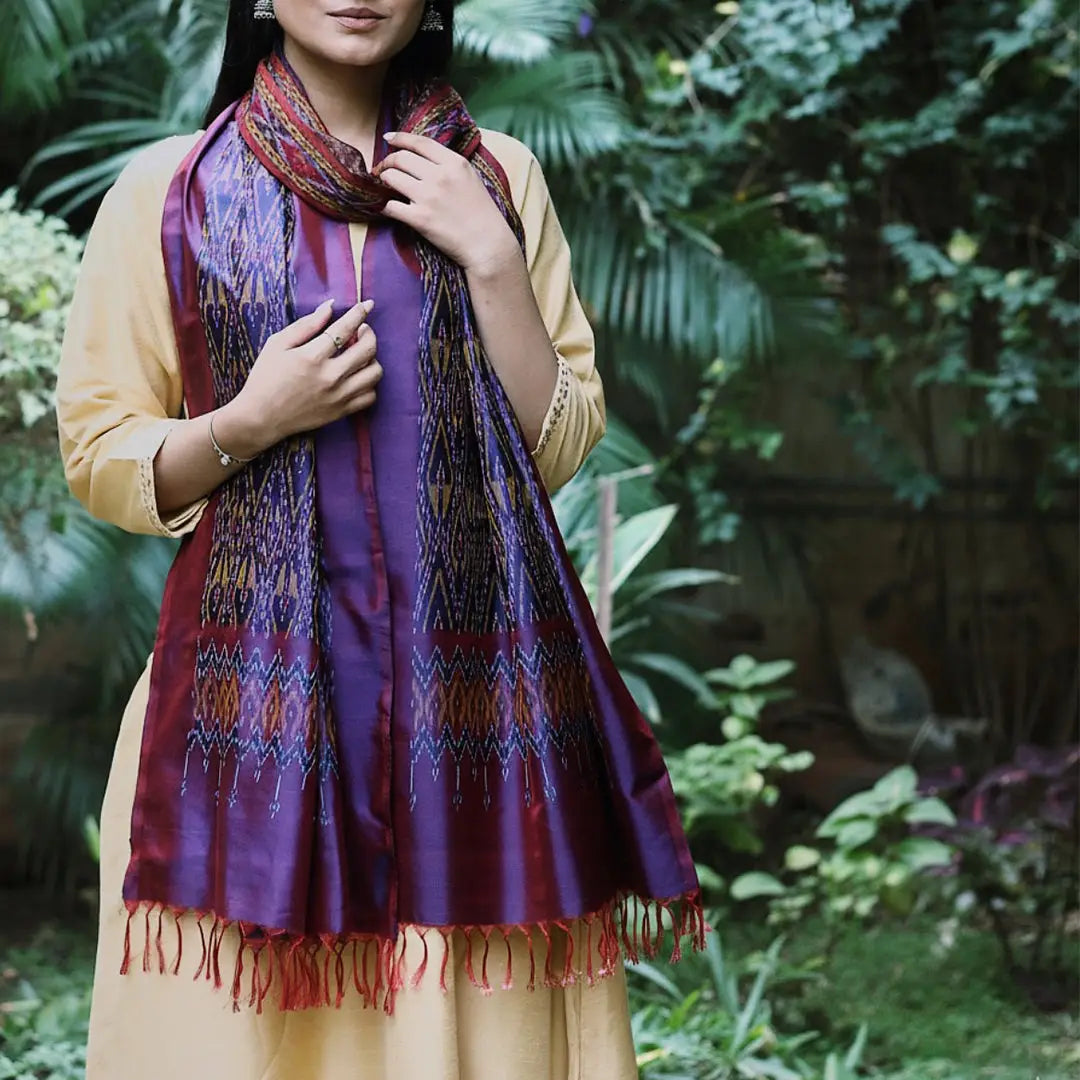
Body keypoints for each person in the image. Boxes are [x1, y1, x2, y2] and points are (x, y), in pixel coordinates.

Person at [56, 2, 703, 1077]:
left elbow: (557, 445)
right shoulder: (167, 193)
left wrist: (491, 258)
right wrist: (251, 420)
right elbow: (101, 456)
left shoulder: (498, 178)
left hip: (475, 708)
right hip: (249, 712)